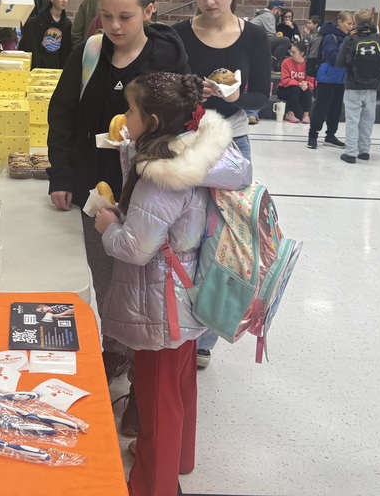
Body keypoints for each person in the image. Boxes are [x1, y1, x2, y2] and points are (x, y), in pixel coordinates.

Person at [94, 72, 252, 496]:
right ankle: (178, 458)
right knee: (180, 385)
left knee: (156, 398)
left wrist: (107, 223)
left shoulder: (160, 178)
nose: (125, 115)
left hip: (158, 304)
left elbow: (135, 247)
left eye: (131, 110)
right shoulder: (196, 155)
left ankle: (153, 484)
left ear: (155, 121)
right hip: (187, 294)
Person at [47, 0, 190, 383]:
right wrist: (61, 174)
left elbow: (182, 124)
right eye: (106, 16)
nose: (114, 26)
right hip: (96, 187)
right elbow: (62, 114)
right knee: (104, 273)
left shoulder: (166, 60)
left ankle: (139, 361)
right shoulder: (89, 52)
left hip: (148, 192)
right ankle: (113, 348)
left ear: (149, 11)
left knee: (143, 280)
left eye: (125, 17)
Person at [172, 0, 268, 369]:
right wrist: (193, 92)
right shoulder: (179, 34)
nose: (209, 0)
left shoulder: (254, 37)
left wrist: (234, 97)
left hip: (233, 141)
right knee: (183, 234)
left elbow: (262, 95)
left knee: (226, 238)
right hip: (186, 141)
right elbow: (167, 87)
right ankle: (176, 323)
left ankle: (208, 332)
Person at [335, 8, 380, 164]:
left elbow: (339, 63)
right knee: (368, 119)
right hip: (373, 85)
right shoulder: (379, 38)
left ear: (356, 21)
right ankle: (364, 151)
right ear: (372, 19)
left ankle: (351, 153)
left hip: (353, 84)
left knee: (353, 120)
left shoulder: (351, 39)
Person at [306, 11, 353, 150]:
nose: (351, 27)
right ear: (340, 22)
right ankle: (313, 135)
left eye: (352, 24)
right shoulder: (329, 37)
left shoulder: (348, 37)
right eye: (348, 23)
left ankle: (330, 135)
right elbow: (333, 58)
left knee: (336, 108)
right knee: (321, 107)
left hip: (341, 78)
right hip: (327, 77)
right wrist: (347, 46)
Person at [18, 0, 72, 69]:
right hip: (39, 68)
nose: (64, 0)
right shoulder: (38, 21)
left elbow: (66, 51)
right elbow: (30, 46)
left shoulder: (67, 24)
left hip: (57, 69)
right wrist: (35, 67)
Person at [276, 42, 313, 123]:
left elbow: (312, 81)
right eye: (290, 51)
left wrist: (306, 84)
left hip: (301, 88)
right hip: (285, 89)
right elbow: (285, 80)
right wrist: (298, 84)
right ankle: (290, 113)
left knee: (307, 90)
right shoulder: (286, 62)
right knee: (296, 89)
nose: (291, 54)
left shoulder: (308, 64)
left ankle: (306, 115)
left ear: (302, 53)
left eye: (293, 52)